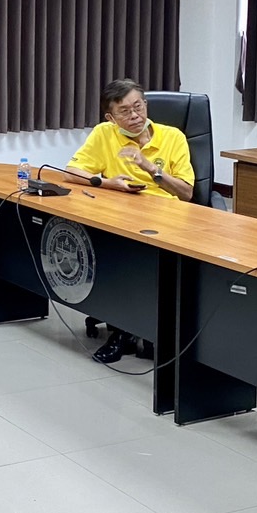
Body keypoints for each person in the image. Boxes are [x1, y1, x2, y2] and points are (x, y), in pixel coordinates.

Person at [64, 78, 195, 363]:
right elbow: (72, 172)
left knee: (148, 260)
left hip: (166, 219)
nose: (135, 116)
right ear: (110, 118)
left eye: (138, 107)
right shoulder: (104, 134)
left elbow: (186, 193)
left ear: (146, 105)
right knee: (120, 254)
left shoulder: (173, 137)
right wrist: (109, 183)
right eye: (124, 111)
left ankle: (145, 330)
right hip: (121, 216)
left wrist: (149, 168)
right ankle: (124, 330)